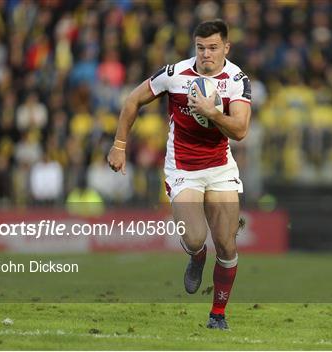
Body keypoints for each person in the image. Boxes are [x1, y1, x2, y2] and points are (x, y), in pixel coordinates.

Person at [107, 19, 251, 330]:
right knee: (195, 236)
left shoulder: (236, 80)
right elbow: (133, 100)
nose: (206, 54)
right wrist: (119, 145)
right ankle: (197, 256)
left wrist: (212, 112)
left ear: (226, 47)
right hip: (183, 169)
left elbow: (240, 130)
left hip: (220, 168)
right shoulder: (174, 74)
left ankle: (217, 315)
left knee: (226, 243)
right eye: (201, 48)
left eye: (213, 48)